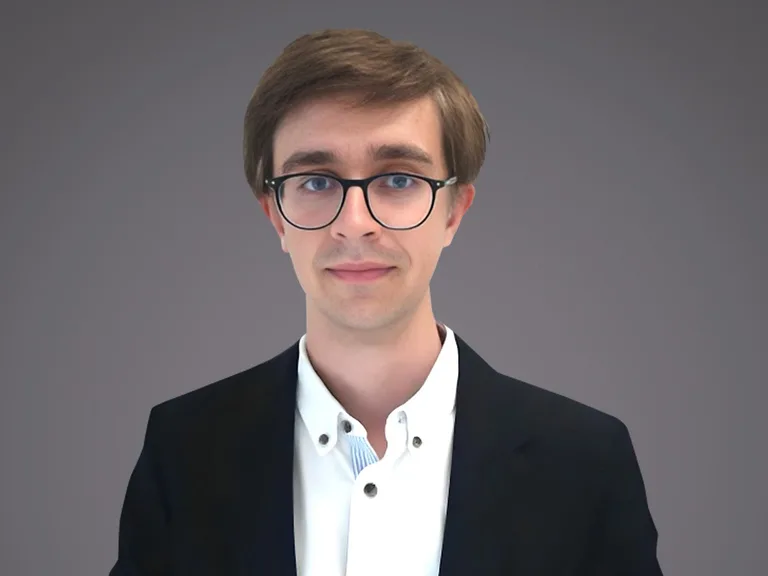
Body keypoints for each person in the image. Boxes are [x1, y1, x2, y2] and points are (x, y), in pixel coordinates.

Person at [110, 28, 663, 576]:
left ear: (454, 211)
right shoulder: (182, 450)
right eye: (316, 181)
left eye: (397, 179)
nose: (356, 224)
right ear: (275, 215)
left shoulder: (586, 461)